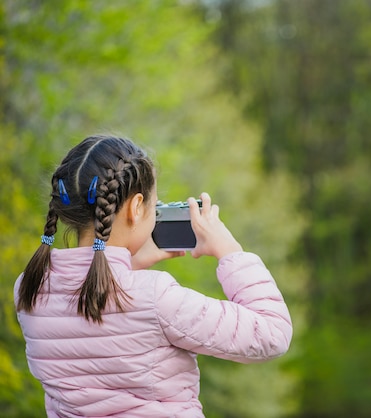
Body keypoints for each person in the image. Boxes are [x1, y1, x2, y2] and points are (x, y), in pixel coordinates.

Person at [14, 134, 293, 417]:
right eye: (154, 205)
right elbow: (272, 334)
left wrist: (128, 266)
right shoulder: (155, 296)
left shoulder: (30, 288)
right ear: (136, 208)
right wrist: (230, 251)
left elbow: (90, 319)